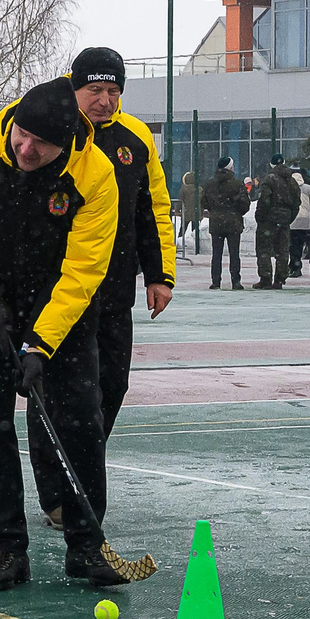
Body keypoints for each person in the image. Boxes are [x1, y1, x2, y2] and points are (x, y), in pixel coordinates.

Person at [0, 76, 156, 592]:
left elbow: (84, 271)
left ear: (67, 141)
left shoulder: (95, 175)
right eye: (20, 135)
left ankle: (86, 546)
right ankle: (7, 547)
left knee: (81, 422)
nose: (25, 149)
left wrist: (41, 343)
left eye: (40, 144)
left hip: (62, 312)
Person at [66, 47, 175, 458]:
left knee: (112, 383)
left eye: (113, 91)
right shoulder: (52, 130)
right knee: (66, 389)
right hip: (61, 287)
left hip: (115, 289)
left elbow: (152, 210)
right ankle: (61, 488)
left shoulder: (135, 136)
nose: (105, 100)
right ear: (75, 87)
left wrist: (159, 275)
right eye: (95, 89)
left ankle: (82, 466)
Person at [201, 157, 249, 289]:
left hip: (216, 222)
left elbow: (204, 202)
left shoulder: (210, 183)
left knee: (216, 254)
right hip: (233, 222)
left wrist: (215, 210)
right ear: (230, 168)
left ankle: (216, 281)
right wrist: (236, 212)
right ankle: (235, 280)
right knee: (234, 253)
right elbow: (245, 204)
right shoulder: (237, 184)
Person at [254, 155, 300, 288]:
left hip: (269, 220)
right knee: (282, 250)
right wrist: (289, 217)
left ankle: (265, 278)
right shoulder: (291, 181)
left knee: (264, 249)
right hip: (284, 219)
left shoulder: (269, 180)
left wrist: (260, 217)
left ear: (271, 165)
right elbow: (297, 202)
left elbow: (264, 200)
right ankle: (280, 279)